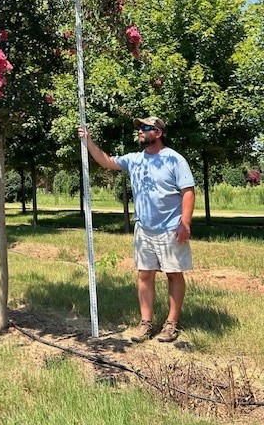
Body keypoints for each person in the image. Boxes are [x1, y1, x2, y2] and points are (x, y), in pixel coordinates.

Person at [78, 116, 195, 343]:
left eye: (145, 128)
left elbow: (188, 192)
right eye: (139, 128)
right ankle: (146, 322)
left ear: (158, 133)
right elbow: (106, 161)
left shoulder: (174, 160)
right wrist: (88, 141)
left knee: (173, 274)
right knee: (144, 274)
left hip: (171, 228)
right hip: (144, 229)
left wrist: (185, 223)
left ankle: (171, 324)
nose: (140, 131)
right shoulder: (135, 160)